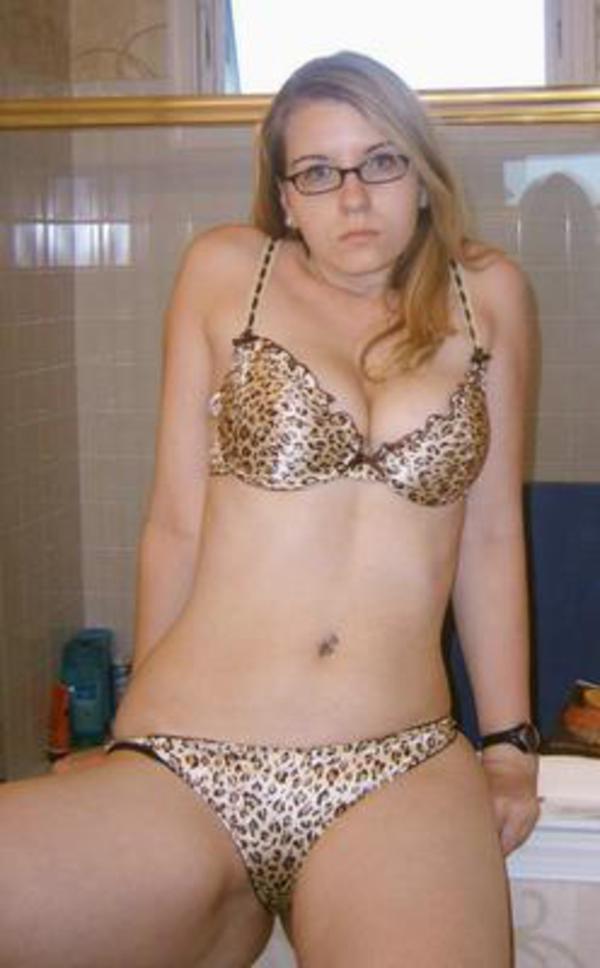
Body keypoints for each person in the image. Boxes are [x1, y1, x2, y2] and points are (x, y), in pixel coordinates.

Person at [0, 50, 539, 967]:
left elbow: (491, 536)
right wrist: (132, 737)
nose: (353, 198)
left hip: (394, 764)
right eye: (318, 173)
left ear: (421, 175)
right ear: (285, 196)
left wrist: (509, 744)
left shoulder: (487, 293)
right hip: (188, 753)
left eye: (380, 162)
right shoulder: (225, 270)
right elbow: (175, 521)